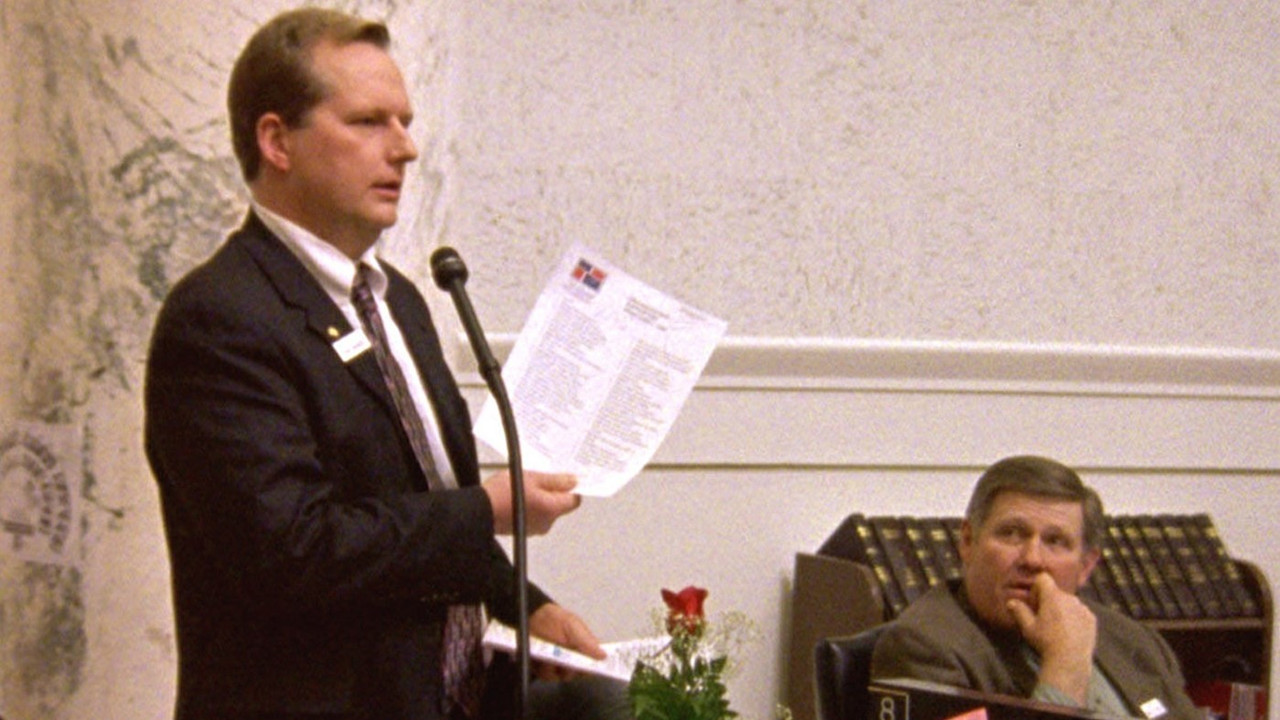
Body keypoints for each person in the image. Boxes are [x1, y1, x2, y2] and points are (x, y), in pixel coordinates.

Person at [144, 8, 627, 720]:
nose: (404, 149)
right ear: (276, 140)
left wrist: (526, 609)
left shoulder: (399, 300)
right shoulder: (220, 319)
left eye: (404, 121)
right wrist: (486, 511)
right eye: (370, 122)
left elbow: (428, 503)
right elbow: (295, 551)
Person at [870, 455, 1201, 720]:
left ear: (1086, 566)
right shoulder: (925, 648)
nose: (1032, 559)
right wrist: (1064, 666)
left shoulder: (1132, 638)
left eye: (1055, 541)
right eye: (1012, 533)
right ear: (968, 542)